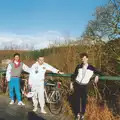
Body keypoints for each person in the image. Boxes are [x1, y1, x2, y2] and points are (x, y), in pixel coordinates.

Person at [71, 53, 100, 120]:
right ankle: (78, 114)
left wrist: (97, 76)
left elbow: (99, 72)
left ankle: (82, 114)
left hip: (85, 86)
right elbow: (74, 75)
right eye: (82, 59)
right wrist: (71, 82)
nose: (83, 60)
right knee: (77, 100)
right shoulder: (78, 66)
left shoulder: (91, 67)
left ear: (87, 58)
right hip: (77, 85)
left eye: (84, 58)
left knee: (84, 100)